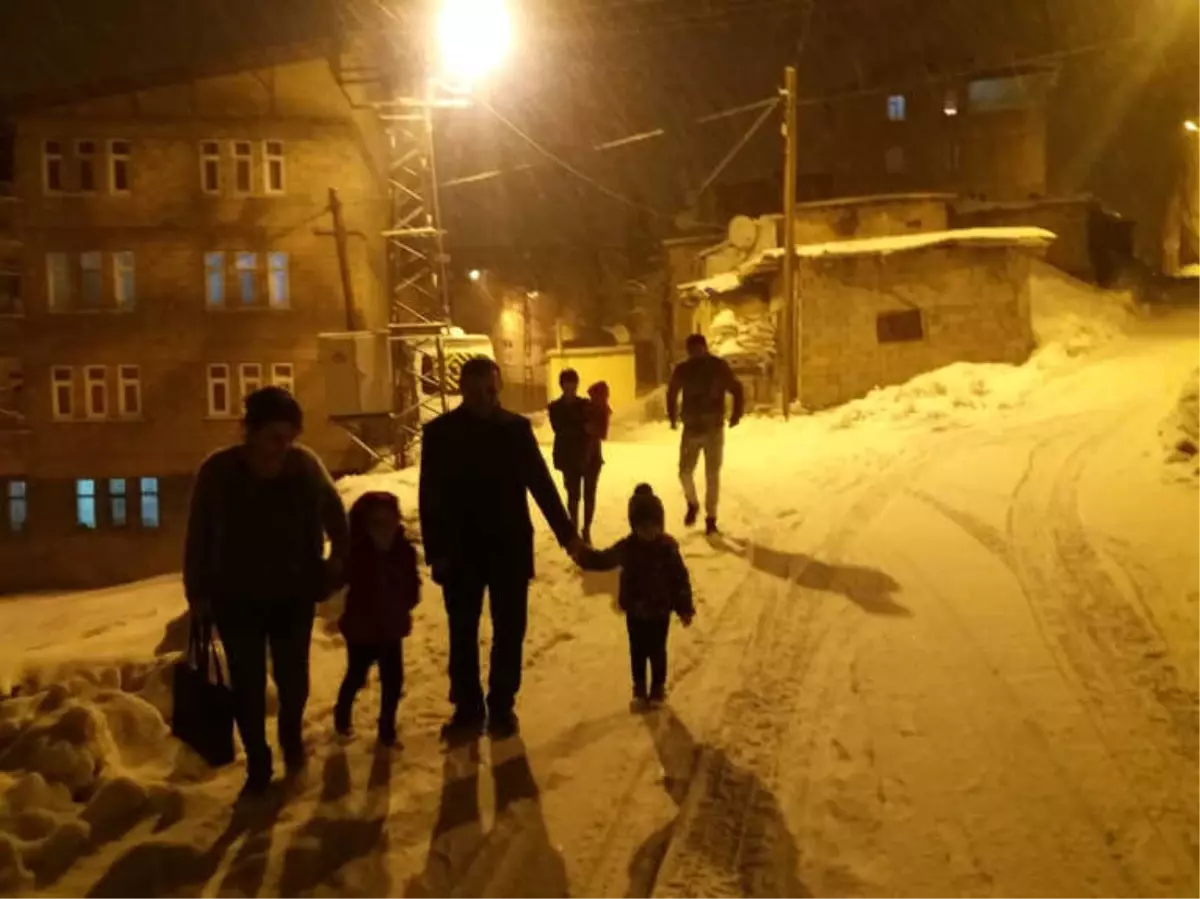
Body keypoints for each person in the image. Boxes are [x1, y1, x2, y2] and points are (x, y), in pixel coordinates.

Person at [183, 386, 349, 797]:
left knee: (294, 680)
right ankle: (258, 760)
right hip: (236, 598)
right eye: (276, 437)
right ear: (251, 431)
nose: (283, 447)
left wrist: (333, 567)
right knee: (247, 684)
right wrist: (198, 594)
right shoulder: (218, 472)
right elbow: (198, 536)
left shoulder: (304, 466)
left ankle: (291, 739)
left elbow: (337, 520)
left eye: (290, 437)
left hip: (293, 594)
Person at [420, 357, 583, 741]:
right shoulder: (440, 434)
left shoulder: (515, 430)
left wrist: (568, 537)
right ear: (462, 390)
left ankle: (502, 705)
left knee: (510, 631)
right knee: (462, 632)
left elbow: (541, 485)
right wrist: (436, 552)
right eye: (476, 391)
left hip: (508, 548)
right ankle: (468, 708)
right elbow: (430, 498)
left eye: (490, 391)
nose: (484, 398)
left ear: (499, 389)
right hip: (460, 552)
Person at [577, 484, 694, 707]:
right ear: (634, 526)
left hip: (660, 610)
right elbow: (604, 559)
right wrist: (584, 556)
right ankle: (639, 689)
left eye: (653, 526)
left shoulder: (667, 548)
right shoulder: (628, 547)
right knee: (638, 651)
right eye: (643, 527)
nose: (649, 532)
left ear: (661, 524)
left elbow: (680, 578)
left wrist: (684, 607)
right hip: (635, 610)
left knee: (657, 651)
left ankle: (657, 688)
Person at [334, 491, 421, 748]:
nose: (385, 530)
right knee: (357, 675)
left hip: (391, 628)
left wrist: (405, 600)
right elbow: (339, 579)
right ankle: (342, 716)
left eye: (390, 522)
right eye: (378, 524)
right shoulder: (357, 554)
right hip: (362, 630)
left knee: (393, 680)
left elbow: (412, 585)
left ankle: (387, 728)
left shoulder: (403, 551)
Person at [667, 333, 745, 536]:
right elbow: (672, 392)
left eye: (697, 349)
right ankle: (693, 503)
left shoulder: (718, 367)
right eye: (692, 351)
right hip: (692, 428)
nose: (695, 353)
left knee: (712, 475)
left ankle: (711, 518)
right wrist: (672, 416)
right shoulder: (684, 369)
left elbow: (736, 388)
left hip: (713, 428)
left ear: (704, 347)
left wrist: (736, 413)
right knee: (684, 472)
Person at [547, 368, 596, 542]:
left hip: (589, 456)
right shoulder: (555, 407)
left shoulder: (586, 404)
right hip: (569, 457)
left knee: (589, 495)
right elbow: (559, 429)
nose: (570, 387)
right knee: (573, 496)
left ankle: (586, 530)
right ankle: (573, 530)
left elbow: (594, 425)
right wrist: (582, 427)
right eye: (567, 383)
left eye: (573, 383)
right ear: (562, 385)